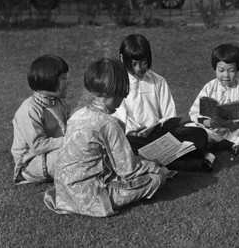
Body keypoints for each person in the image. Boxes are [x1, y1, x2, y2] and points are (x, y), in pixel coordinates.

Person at [44, 58, 167, 217]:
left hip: (64, 191)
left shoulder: (78, 115)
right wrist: (154, 166)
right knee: (157, 178)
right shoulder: (108, 124)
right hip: (91, 196)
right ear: (119, 90)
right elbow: (128, 171)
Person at [114, 34, 210, 171]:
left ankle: (154, 162)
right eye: (134, 64)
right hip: (133, 139)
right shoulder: (118, 84)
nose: (139, 68)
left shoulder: (158, 81)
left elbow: (169, 116)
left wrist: (159, 129)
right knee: (125, 145)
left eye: (143, 63)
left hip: (158, 138)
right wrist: (132, 132)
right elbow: (118, 120)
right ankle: (183, 163)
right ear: (122, 59)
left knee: (200, 135)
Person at [11, 55, 70, 184]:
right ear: (50, 81)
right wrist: (68, 141)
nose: (68, 82)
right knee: (73, 156)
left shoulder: (60, 102)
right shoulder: (29, 110)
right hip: (33, 163)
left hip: (54, 152)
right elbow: (38, 146)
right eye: (64, 79)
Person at [189, 43, 239, 151]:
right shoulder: (209, 87)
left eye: (231, 70)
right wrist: (210, 123)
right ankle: (220, 144)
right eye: (221, 70)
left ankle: (228, 144)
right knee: (190, 127)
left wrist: (230, 124)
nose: (226, 75)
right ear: (215, 68)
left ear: (237, 69)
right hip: (213, 131)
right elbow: (195, 112)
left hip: (235, 133)